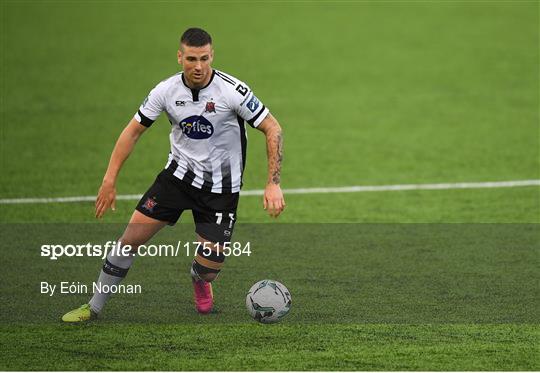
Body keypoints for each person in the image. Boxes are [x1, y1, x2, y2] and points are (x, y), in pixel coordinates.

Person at [62, 27, 285, 322]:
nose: (198, 66)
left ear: (212, 56)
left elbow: (273, 127)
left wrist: (273, 183)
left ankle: (199, 279)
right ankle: (93, 307)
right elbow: (133, 131)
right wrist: (109, 179)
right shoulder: (165, 91)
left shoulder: (232, 91)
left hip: (220, 191)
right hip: (176, 180)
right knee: (129, 241)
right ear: (180, 57)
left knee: (209, 269)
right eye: (192, 58)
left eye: (205, 58)